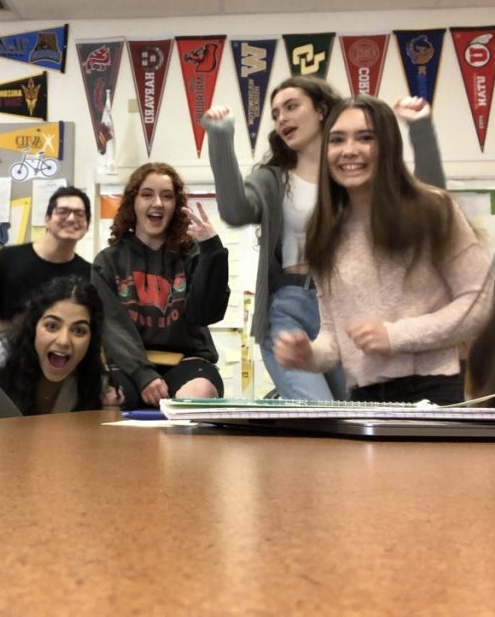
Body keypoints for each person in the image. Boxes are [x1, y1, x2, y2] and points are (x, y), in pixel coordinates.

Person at [202, 76, 446, 401]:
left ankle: (279, 407)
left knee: (354, 412)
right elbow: (234, 211)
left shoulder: (355, 173)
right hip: (288, 306)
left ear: (320, 110)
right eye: (275, 114)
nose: (282, 118)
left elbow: (433, 207)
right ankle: (286, 405)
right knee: (316, 408)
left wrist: (421, 130)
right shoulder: (274, 178)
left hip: (348, 308)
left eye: (291, 106)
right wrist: (220, 137)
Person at [273, 95, 491, 405]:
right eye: (337, 140)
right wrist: (308, 354)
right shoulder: (323, 232)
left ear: (388, 145)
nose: (350, 150)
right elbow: (334, 336)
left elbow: (479, 300)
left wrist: (395, 336)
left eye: (366, 138)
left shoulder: (434, 209)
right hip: (363, 397)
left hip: (432, 391)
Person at [91, 162, 230, 409]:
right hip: (128, 366)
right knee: (107, 397)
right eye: (147, 195)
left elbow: (206, 313)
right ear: (133, 203)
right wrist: (144, 375)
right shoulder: (108, 262)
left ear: (175, 206)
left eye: (167, 196)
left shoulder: (193, 255)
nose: (157, 203)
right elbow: (113, 327)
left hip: (187, 361)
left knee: (198, 394)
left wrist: (212, 251)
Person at [0, 276, 120, 414]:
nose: (63, 341)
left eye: (79, 330)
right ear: (34, 326)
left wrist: (108, 409)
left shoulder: (94, 375)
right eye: (52, 326)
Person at [0, 186, 92, 337]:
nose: (72, 218)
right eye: (63, 211)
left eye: (80, 214)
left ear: (87, 225)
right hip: (8, 355)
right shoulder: (7, 258)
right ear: (47, 219)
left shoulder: (89, 274)